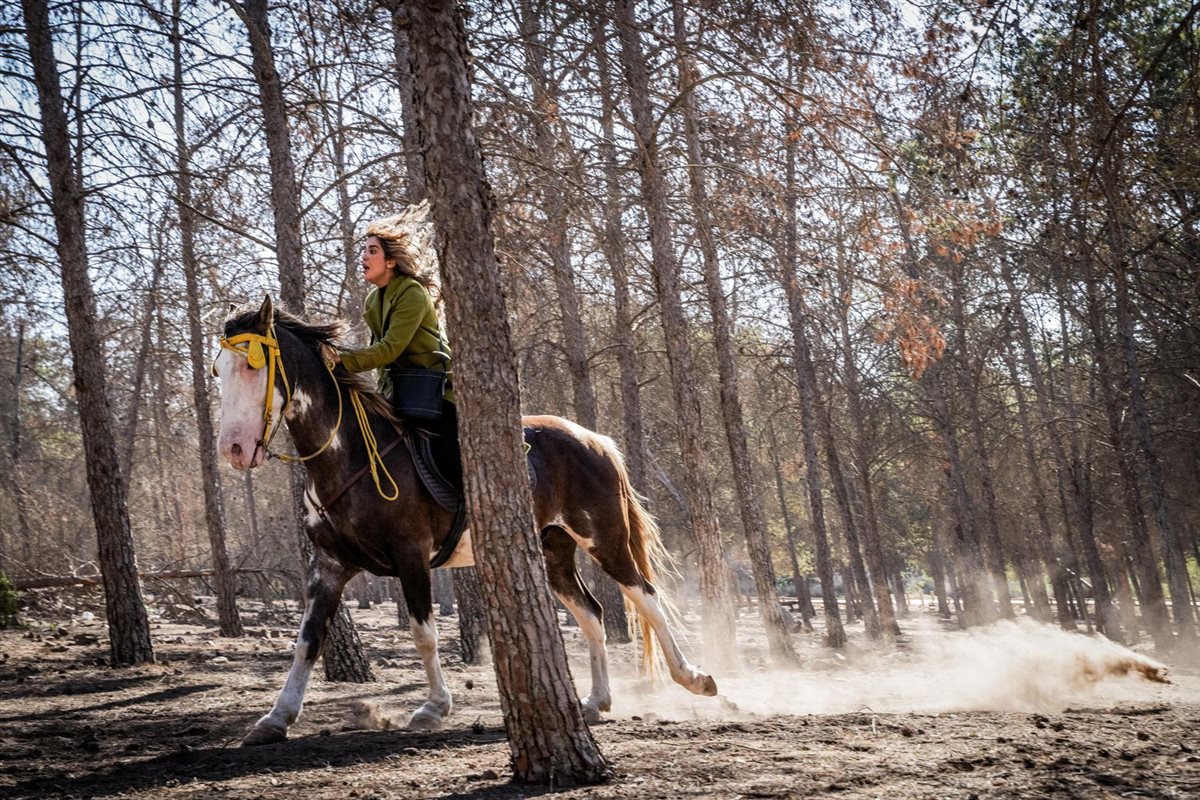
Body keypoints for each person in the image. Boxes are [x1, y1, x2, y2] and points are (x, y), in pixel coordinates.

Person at [325, 206, 461, 491]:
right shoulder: (373, 301)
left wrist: (340, 359)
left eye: (372, 251)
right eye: (364, 251)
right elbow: (378, 353)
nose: (364, 257)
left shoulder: (412, 292)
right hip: (398, 393)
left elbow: (389, 350)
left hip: (436, 393)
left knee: (451, 460)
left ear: (390, 261)